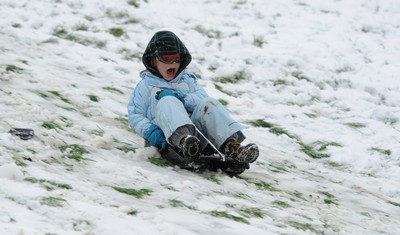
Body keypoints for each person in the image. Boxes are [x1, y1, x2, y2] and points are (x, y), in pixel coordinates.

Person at [127, 30, 259, 166]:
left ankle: (231, 146)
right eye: (167, 59)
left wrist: (183, 98)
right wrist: (151, 132)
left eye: (176, 59)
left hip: (198, 137)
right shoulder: (146, 86)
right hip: (166, 138)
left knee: (209, 103)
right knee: (167, 101)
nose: (173, 63)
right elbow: (135, 115)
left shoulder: (187, 81)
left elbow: (202, 100)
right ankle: (184, 140)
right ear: (153, 61)